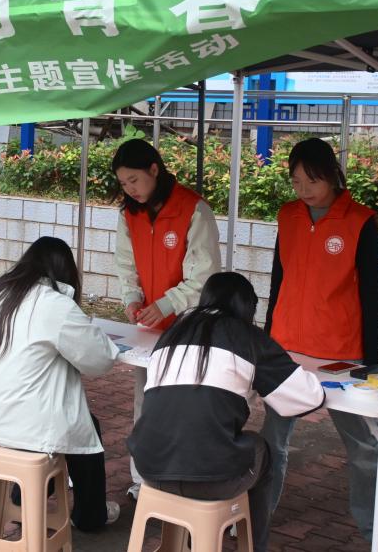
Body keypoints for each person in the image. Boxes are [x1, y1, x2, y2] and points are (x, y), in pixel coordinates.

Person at [260, 137, 378, 551]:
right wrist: (268, 335)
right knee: (271, 442)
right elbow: (278, 278)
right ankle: (254, 519)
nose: (304, 190)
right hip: (287, 347)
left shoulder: (360, 220)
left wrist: (371, 357)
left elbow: (371, 291)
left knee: (364, 447)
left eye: (312, 180)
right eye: (296, 182)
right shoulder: (288, 215)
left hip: (341, 353)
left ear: (332, 174)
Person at [129, 272, 324, 552]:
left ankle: (191, 538)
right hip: (210, 476)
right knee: (263, 451)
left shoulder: (172, 332)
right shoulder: (247, 336)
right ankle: (255, 546)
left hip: (149, 466)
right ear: (247, 307)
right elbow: (307, 398)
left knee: (194, 436)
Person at [0, 236, 121, 531]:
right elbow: (99, 360)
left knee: (74, 424)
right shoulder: (54, 304)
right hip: (28, 427)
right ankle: (90, 517)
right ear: (66, 271)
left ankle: (22, 498)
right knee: (83, 426)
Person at [111, 137, 221, 498]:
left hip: (189, 327)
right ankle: (142, 480)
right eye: (123, 183)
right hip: (150, 329)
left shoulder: (194, 209)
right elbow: (126, 265)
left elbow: (204, 275)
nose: (130, 189)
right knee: (146, 400)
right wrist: (132, 298)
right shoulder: (128, 215)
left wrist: (168, 303)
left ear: (154, 170)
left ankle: (184, 479)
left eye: (134, 180)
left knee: (186, 403)